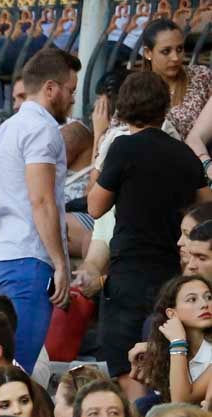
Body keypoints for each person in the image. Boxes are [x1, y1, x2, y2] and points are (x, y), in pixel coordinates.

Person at [90, 70, 211, 387]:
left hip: (129, 271)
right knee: (161, 365)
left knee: (130, 370)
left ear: (125, 107)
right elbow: (206, 209)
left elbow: (95, 206)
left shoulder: (123, 148)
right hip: (171, 275)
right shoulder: (186, 155)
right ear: (165, 106)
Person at [0, 46, 79, 374]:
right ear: (50, 89)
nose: (72, 99)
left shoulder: (0, 132)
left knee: (0, 373)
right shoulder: (42, 128)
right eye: (70, 91)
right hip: (27, 261)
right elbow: (42, 200)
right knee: (13, 374)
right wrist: (59, 263)